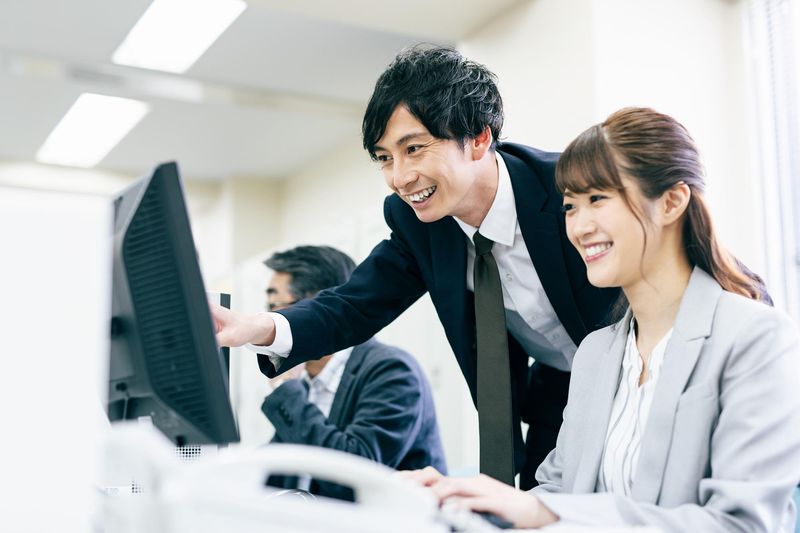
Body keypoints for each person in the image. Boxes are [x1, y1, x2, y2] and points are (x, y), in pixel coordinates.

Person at [212, 45, 619, 489]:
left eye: (414, 149)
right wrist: (256, 328)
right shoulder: (418, 222)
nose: (400, 178)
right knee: (536, 506)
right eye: (385, 158)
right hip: (557, 398)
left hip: (635, 376)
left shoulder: (566, 188)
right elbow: (353, 304)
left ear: (479, 138)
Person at [407, 108, 800, 532]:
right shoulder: (596, 353)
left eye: (597, 199)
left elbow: (742, 524)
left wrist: (549, 514)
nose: (579, 227)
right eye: (570, 207)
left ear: (672, 202)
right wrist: (468, 503)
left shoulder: (756, 338)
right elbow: (558, 490)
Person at [259, 245, 446, 501]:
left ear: (314, 310)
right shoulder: (307, 381)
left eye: (275, 306)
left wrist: (285, 391)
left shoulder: (392, 371)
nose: (270, 321)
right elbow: (280, 464)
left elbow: (354, 479)